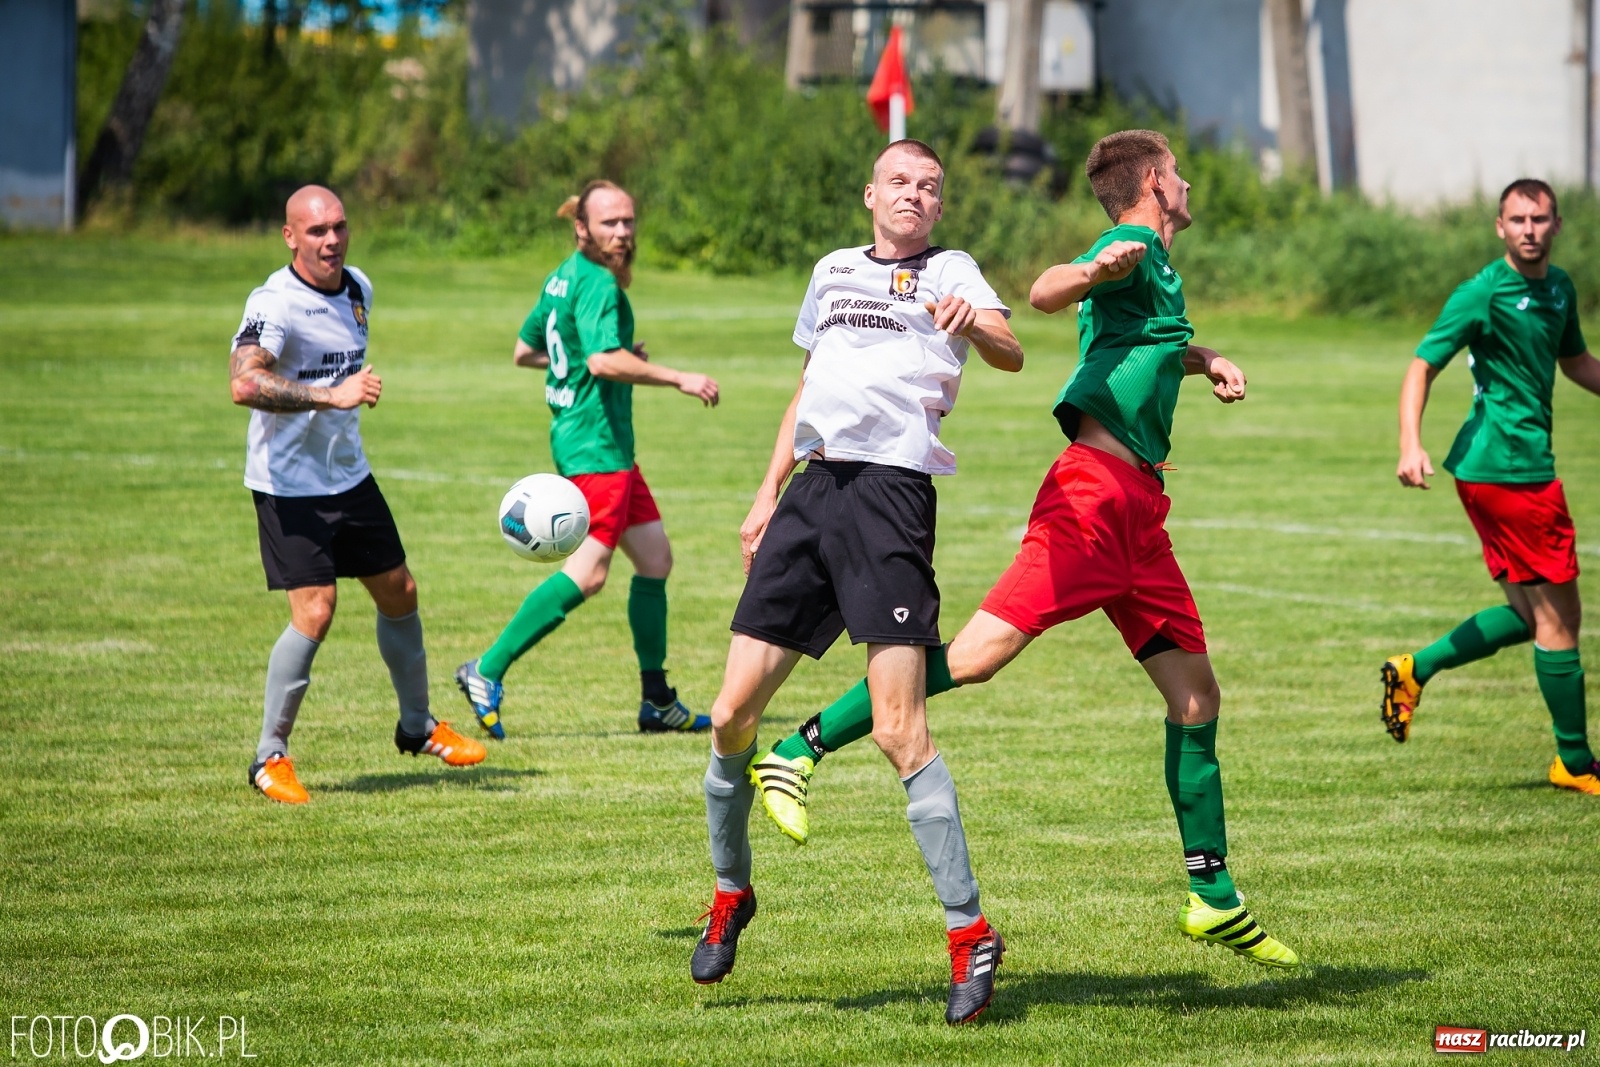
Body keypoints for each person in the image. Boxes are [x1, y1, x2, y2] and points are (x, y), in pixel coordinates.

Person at [748, 130, 1300, 969]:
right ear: (1154, 183)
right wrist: (1093, 269)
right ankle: (800, 746)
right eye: (1179, 173)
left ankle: (1212, 895)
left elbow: (1137, 346)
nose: (1187, 185)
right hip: (1090, 502)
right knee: (972, 659)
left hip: (1140, 513)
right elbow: (1046, 291)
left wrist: (1204, 356)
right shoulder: (1135, 242)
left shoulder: (1156, 265)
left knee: (1195, 695)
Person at [690, 139, 1025, 1026]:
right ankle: (730, 893)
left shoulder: (953, 269)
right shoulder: (833, 269)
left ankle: (970, 931)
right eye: (902, 182)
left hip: (889, 500)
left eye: (931, 187)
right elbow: (809, 383)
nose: (914, 195)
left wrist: (974, 320)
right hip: (813, 492)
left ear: (939, 208)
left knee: (896, 727)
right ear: (871, 193)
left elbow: (1012, 349)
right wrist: (767, 494)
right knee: (729, 715)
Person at [231, 185, 485, 805]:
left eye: (339, 227)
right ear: (290, 236)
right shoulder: (276, 302)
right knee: (315, 612)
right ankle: (269, 757)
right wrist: (330, 394)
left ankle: (418, 726)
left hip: (348, 475)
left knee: (400, 593)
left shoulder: (357, 289)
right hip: (289, 487)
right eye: (316, 231)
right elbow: (244, 382)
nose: (332, 240)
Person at [456, 181, 721, 739]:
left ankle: (656, 702)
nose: (622, 233)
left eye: (628, 221)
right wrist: (677, 377)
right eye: (609, 224)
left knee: (654, 559)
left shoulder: (563, 275)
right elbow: (600, 362)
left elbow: (526, 351)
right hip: (596, 447)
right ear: (582, 227)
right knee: (590, 572)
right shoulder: (599, 282)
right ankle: (486, 668)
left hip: (602, 444)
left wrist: (613, 361)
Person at [1382, 178, 1600, 796]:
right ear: (1499, 227)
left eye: (1540, 218)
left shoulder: (1559, 288)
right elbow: (1423, 364)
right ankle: (1576, 762)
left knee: (1532, 617)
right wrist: (1409, 443)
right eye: (1517, 219)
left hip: (1495, 473)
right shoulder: (1482, 292)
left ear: (1557, 225)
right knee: (1562, 620)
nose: (1529, 229)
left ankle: (1413, 670)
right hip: (1513, 473)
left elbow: (1575, 361)